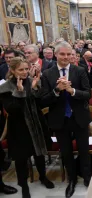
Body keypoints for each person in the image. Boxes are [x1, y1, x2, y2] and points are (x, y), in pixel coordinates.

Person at [41, 41, 91, 198]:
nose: (66, 57)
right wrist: (57, 90)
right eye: (62, 54)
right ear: (56, 55)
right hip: (60, 119)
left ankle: (88, 178)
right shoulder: (48, 74)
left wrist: (72, 90)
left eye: (69, 54)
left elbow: (87, 94)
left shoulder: (80, 71)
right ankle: (72, 180)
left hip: (79, 117)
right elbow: (43, 100)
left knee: (84, 150)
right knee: (66, 152)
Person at [0, 57, 54, 198]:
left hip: (36, 124)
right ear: (12, 70)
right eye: (20, 70)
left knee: (39, 153)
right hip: (19, 127)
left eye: (26, 69)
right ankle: (23, 184)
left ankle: (43, 176)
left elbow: (40, 103)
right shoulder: (5, 87)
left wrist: (36, 87)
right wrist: (19, 92)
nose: (24, 72)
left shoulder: (31, 81)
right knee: (21, 158)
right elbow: (12, 109)